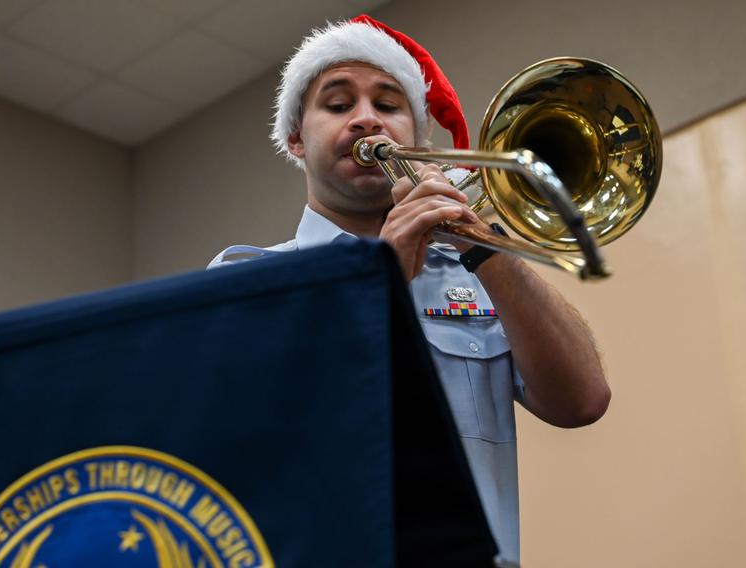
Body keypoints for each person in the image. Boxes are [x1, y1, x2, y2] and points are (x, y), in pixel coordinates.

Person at [209, 14, 610, 563]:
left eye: (390, 105)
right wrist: (381, 279)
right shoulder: (246, 279)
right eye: (338, 103)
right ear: (297, 139)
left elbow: (583, 401)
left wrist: (483, 242)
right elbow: (245, 436)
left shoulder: (475, 269)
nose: (366, 120)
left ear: (417, 139)